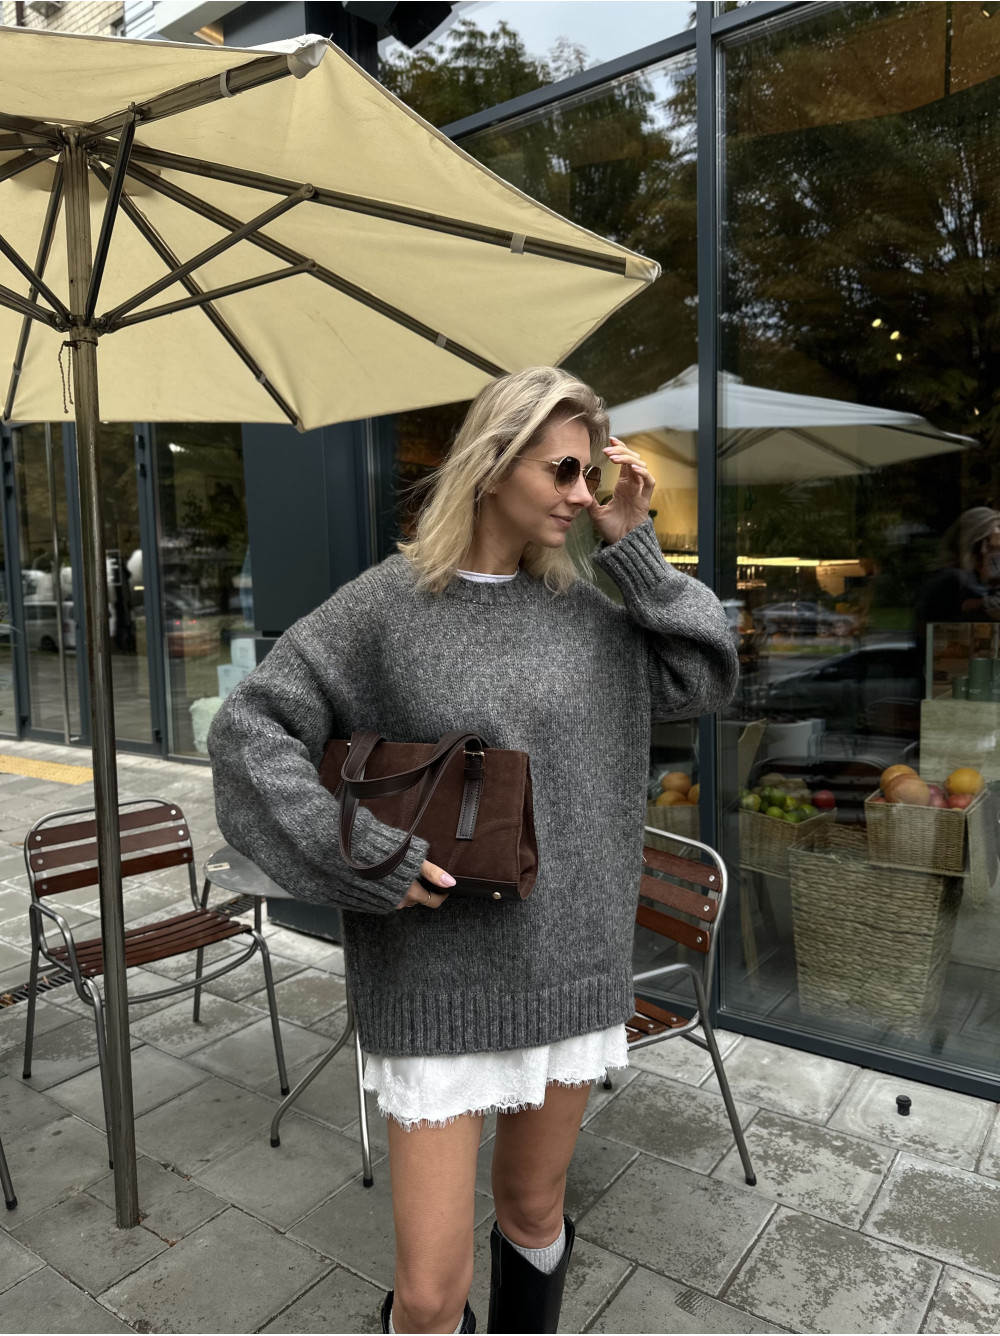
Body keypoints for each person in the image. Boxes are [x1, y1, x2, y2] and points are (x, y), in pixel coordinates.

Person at [208, 367, 738, 1335]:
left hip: (568, 969)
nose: (581, 492)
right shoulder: (385, 607)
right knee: (428, 1294)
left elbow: (704, 675)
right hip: (432, 979)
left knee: (534, 1211)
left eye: (590, 472)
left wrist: (634, 550)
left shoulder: (590, 617)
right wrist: (362, 854)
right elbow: (248, 730)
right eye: (563, 469)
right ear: (492, 462)